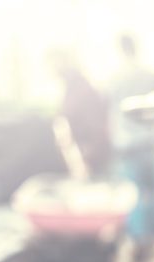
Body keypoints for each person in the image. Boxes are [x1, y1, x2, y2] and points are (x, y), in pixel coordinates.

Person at [108, 34, 154, 262]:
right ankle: (151, 237)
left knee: (134, 194)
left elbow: (109, 113)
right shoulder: (151, 77)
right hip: (150, 143)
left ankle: (139, 239)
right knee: (153, 192)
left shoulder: (115, 79)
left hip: (127, 146)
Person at [48, 49, 110, 179]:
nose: (52, 69)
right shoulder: (69, 90)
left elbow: (97, 129)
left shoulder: (83, 90)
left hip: (90, 165)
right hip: (79, 161)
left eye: (54, 63)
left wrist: (85, 160)